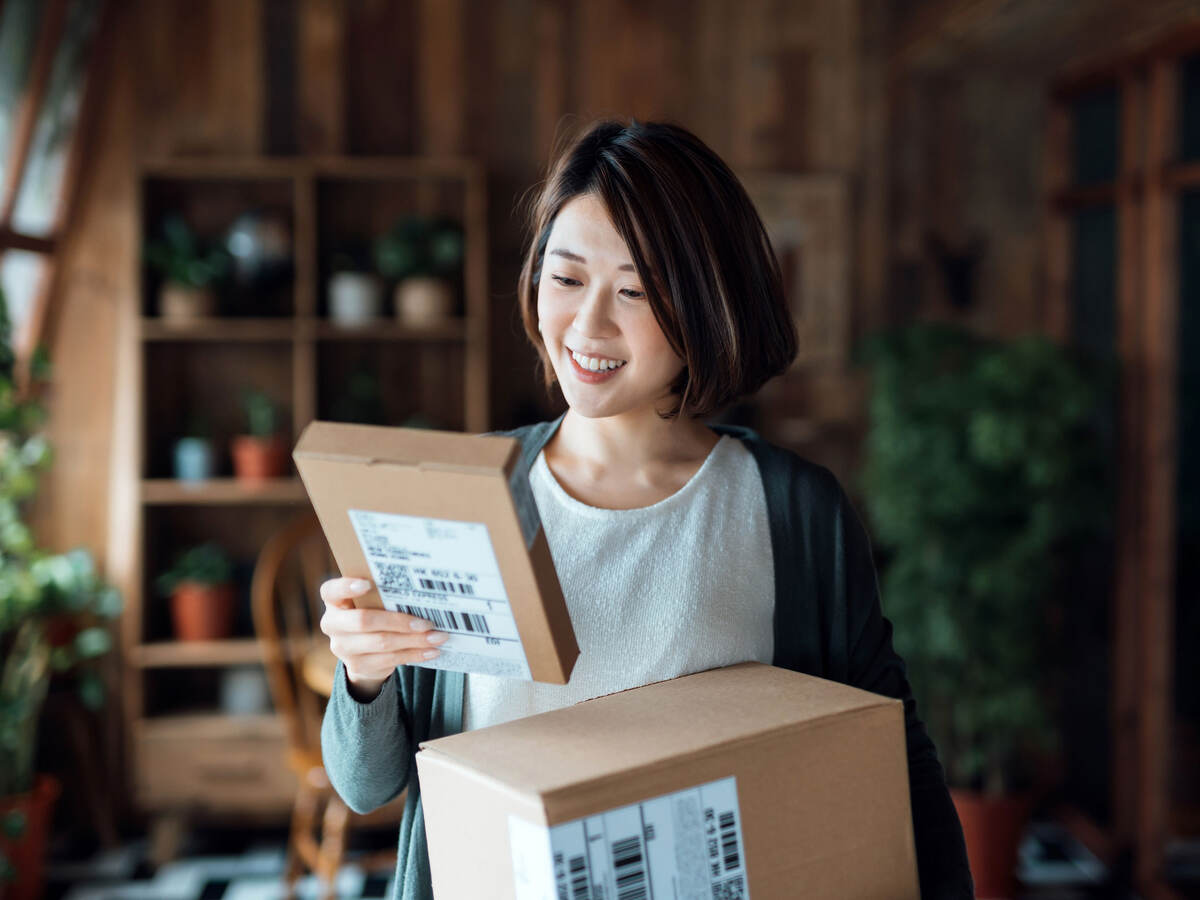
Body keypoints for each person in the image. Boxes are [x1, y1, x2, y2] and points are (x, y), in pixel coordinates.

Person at [319, 118, 975, 899]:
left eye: (634, 291)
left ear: (707, 306)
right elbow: (368, 787)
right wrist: (362, 676)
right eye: (566, 279)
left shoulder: (793, 511)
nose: (588, 327)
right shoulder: (460, 499)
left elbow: (888, 753)